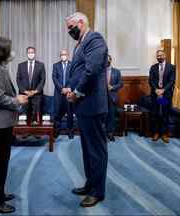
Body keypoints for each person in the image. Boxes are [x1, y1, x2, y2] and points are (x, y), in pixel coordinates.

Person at [66, 12, 108, 207]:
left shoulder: (95, 39)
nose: (68, 31)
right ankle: (90, 183)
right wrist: (70, 88)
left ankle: (98, 191)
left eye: (70, 26)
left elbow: (91, 71)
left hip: (92, 104)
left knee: (96, 150)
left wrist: (76, 92)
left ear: (81, 22)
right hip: (83, 106)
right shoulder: (81, 43)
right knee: (86, 149)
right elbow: (78, 70)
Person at [0, 36, 28, 213]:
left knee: (3, 162)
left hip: (4, 122)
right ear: (1, 52)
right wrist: (17, 100)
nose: (12, 52)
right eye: (9, 49)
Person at [149, 50, 176, 143]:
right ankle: (156, 133)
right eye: (158, 56)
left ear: (165, 55)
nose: (159, 57)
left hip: (165, 95)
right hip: (155, 95)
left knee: (165, 113)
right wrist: (156, 90)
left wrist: (163, 90)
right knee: (155, 113)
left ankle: (164, 133)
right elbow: (151, 80)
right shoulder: (153, 67)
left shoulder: (171, 67)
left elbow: (172, 81)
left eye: (161, 55)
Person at [16, 46, 46, 125]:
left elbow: (42, 80)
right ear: (27, 54)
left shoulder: (41, 65)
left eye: (32, 52)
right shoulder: (21, 65)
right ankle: (26, 132)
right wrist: (25, 91)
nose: (31, 54)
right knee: (26, 114)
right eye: (29, 52)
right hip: (24, 94)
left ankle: (37, 133)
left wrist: (35, 91)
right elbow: (18, 80)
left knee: (37, 114)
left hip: (37, 95)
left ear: (35, 54)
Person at [52, 49, 74, 139]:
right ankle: (57, 131)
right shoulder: (55, 65)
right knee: (57, 114)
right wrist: (62, 88)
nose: (63, 56)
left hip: (69, 93)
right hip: (59, 93)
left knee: (70, 114)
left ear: (68, 55)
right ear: (60, 56)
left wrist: (69, 88)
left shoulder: (72, 65)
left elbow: (74, 77)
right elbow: (54, 78)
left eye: (64, 54)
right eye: (61, 54)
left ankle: (70, 132)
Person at [106, 54, 123, 141]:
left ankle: (110, 133)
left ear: (111, 60)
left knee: (111, 115)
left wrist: (112, 87)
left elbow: (121, 84)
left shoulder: (117, 71)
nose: (106, 61)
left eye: (108, 60)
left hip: (112, 97)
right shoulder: (100, 71)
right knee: (102, 115)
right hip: (102, 97)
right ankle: (102, 133)